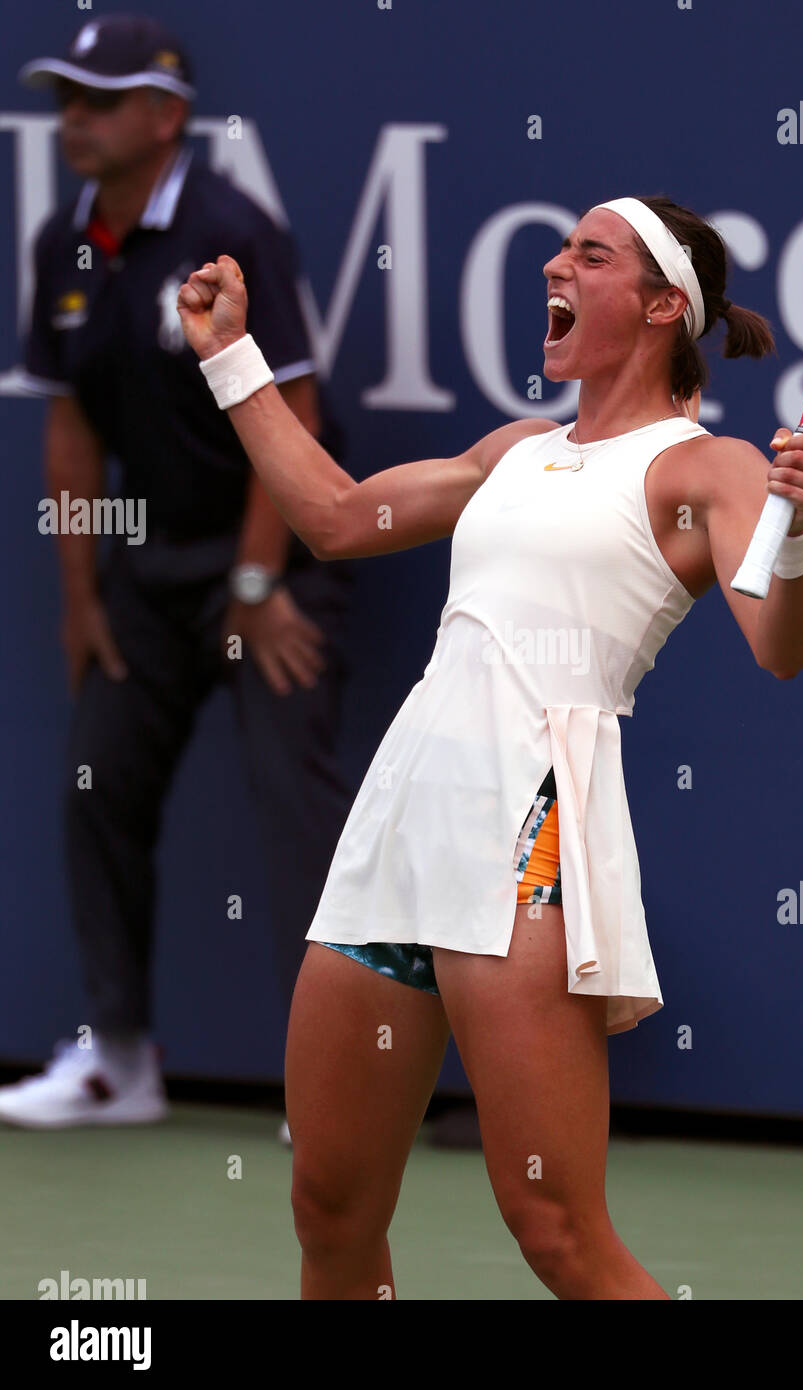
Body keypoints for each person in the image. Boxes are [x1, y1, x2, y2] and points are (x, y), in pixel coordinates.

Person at [175, 193, 803, 1299]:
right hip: (401, 821)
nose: (555, 262)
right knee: (330, 1210)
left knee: (554, 1231)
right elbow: (338, 517)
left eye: (591, 252)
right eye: (560, 245)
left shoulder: (702, 468)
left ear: (664, 303)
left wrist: (802, 526)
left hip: (528, 828)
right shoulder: (518, 450)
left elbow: (778, 643)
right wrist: (234, 359)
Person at [0, 14, 354, 1140]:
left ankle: (332, 1078)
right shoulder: (63, 239)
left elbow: (288, 409)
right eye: (67, 101)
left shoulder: (228, 232)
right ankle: (118, 1061)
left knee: (294, 811)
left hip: (265, 570)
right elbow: (71, 428)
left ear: (165, 117)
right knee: (92, 792)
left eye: (99, 102)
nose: (76, 122)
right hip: (144, 578)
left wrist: (256, 586)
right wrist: (82, 597)